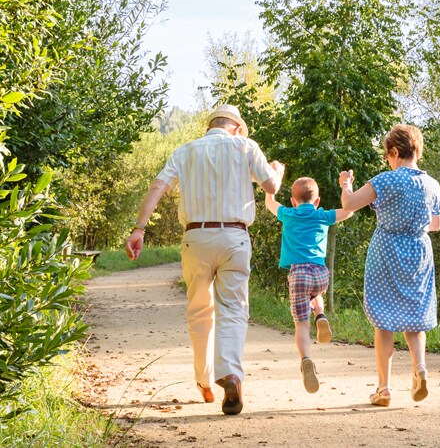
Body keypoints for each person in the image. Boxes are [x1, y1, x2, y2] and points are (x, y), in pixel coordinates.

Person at [125, 104, 283, 415]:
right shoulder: (246, 146)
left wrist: (139, 228)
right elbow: (271, 187)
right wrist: (276, 172)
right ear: (236, 128)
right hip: (235, 237)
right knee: (233, 310)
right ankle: (231, 373)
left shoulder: (185, 151)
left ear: (209, 126)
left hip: (195, 237)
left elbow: (158, 186)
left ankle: (204, 381)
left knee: (199, 312)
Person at [338, 123, 440, 407]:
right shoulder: (432, 185)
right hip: (419, 251)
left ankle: (384, 388)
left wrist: (346, 183)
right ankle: (419, 368)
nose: (387, 160)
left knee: (383, 319)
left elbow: (348, 204)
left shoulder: (385, 181)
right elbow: (435, 224)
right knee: (415, 314)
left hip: (387, 251)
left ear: (395, 152)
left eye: (387, 155)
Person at [265, 175, 353, 393]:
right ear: (317, 201)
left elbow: (269, 202)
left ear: (293, 201)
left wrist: (272, 183)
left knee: (301, 325)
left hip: (299, 274)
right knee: (315, 294)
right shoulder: (323, 215)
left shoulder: (288, 214)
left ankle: (306, 359)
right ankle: (321, 316)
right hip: (321, 273)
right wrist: (346, 183)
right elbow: (349, 210)